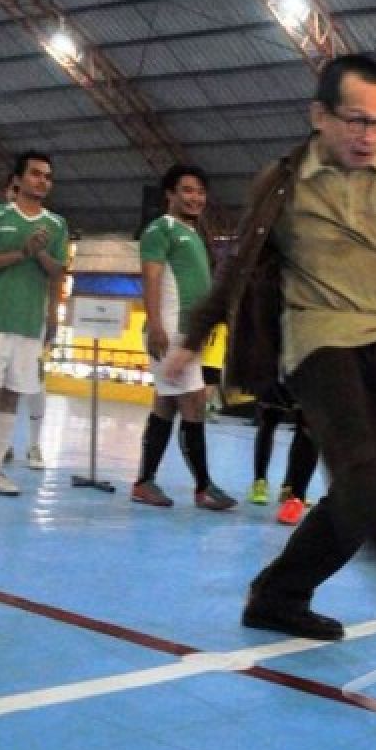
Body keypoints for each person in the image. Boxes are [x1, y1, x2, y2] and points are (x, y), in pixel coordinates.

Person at [168, 53, 376, 641]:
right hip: (318, 344)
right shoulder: (284, 181)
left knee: (372, 488)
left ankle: (279, 593)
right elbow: (238, 264)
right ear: (319, 115)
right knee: (364, 474)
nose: (369, 136)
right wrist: (195, 336)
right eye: (355, 120)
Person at [131, 164, 236, 510]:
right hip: (171, 332)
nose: (195, 198)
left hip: (187, 334)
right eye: (187, 190)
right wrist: (156, 325)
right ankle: (203, 486)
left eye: (200, 192)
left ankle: (145, 482)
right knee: (193, 404)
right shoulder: (160, 229)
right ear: (170, 195)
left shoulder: (194, 233)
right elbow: (152, 277)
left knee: (166, 405)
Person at [0, 151, 68, 498]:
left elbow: (58, 271)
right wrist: (22, 253)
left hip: (30, 324)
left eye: (48, 177)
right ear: (18, 180)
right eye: (37, 174)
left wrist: (38, 253)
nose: (43, 181)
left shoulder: (56, 225)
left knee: (11, 397)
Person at [247, 382, 320, 526]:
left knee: (310, 425)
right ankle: (260, 481)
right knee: (269, 418)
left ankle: (295, 494)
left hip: (314, 371)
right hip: (279, 368)